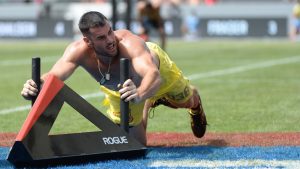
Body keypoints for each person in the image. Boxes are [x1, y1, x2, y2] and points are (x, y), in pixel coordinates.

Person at [21, 11, 207, 145]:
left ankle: (195, 105)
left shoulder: (129, 43)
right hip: (122, 89)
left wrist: (141, 93)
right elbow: (53, 76)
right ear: (88, 41)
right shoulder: (77, 51)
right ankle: (149, 101)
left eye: (110, 31)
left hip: (156, 73)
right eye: (101, 38)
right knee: (135, 145)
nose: (110, 40)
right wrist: (36, 85)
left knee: (186, 101)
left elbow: (153, 75)